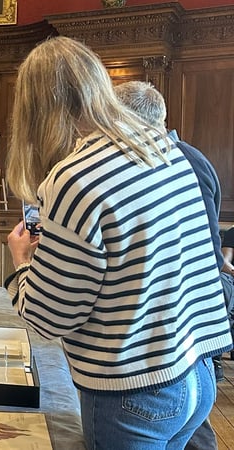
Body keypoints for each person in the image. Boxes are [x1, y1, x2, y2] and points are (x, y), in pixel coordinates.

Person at [4, 36, 232, 449]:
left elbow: (48, 320)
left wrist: (22, 265)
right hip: (196, 373)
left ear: (35, 110)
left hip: (132, 391)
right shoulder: (165, 148)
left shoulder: (74, 178)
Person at [115, 80, 227, 450]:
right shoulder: (190, 157)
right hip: (192, 311)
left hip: (173, 318)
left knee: (190, 428)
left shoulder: (166, 162)